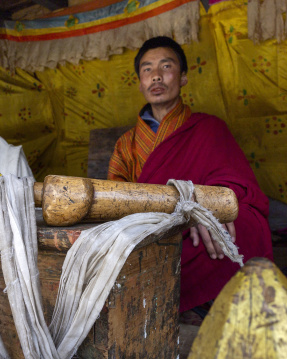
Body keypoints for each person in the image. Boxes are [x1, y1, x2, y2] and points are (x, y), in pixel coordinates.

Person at [107, 36, 273, 320]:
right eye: (147, 69)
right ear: (139, 82)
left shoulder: (209, 128)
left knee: (246, 225)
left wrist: (204, 212)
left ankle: (199, 301)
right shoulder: (126, 144)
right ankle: (185, 302)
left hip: (198, 226)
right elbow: (115, 201)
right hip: (148, 230)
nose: (156, 76)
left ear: (183, 77)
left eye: (166, 66)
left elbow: (238, 186)